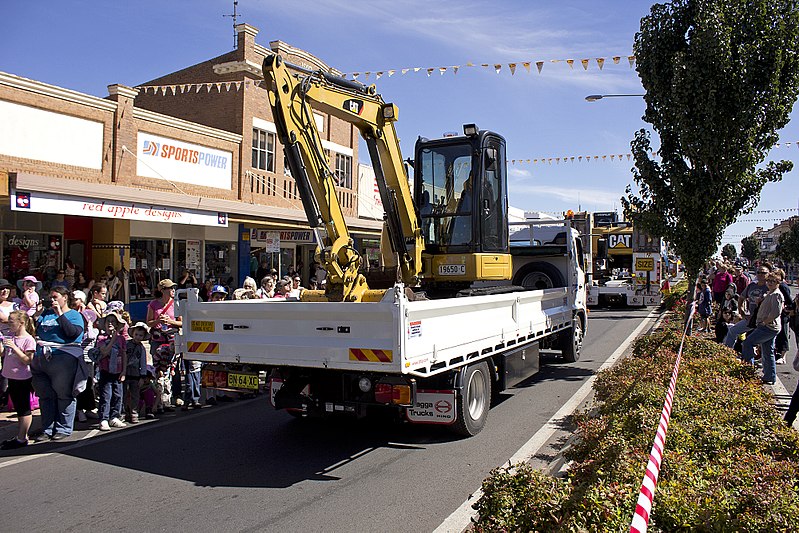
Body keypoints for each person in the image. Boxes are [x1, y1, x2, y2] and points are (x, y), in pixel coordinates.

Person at [30, 286, 84, 441]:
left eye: (55, 297)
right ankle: (47, 428)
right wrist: (37, 313)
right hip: (41, 359)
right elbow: (31, 329)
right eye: (50, 298)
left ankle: (63, 427)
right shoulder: (45, 314)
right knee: (45, 395)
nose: (52, 300)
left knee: (63, 394)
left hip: (62, 358)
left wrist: (60, 314)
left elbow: (72, 333)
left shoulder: (74, 315)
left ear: (65, 297)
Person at [1, 310, 37, 449]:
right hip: (11, 376)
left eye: (12, 321)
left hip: (22, 378)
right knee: (18, 407)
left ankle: (22, 438)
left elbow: (28, 360)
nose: (9, 324)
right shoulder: (11, 336)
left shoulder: (28, 340)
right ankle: (21, 435)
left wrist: (15, 347)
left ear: (21, 323)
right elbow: (3, 353)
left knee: (23, 409)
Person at [741, 272, 784, 385]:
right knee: (767, 351)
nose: (769, 283)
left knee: (748, 343)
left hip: (768, 327)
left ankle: (748, 370)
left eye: (773, 281)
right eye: (768, 281)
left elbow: (775, 312)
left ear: (778, 283)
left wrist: (764, 322)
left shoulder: (776, 295)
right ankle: (769, 376)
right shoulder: (770, 293)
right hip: (768, 326)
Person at [95, 310, 128, 431]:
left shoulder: (121, 339)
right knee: (106, 395)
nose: (110, 323)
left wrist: (124, 371)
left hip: (118, 370)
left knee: (118, 394)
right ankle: (104, 418)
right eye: (108, 321)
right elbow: (103, 352)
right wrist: (112, 339)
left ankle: (115, 416)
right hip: (106, 370)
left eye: (113, 321)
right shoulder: (101, 338)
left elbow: (124, 354)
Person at [724, 266, 770, 348]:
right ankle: (727, 353)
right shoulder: (752, 285)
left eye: (763, 273)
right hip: (751, 318)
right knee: (733, 331)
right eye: (758, 272)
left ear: (768, 274)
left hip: (764, 321)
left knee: (762, 345)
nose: (760, 274)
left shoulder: (769, 287)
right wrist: (742, 312)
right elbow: (741, 298)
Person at [124, 322, 149, 423]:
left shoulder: (141, 348)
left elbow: (143, 362)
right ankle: (125, 411)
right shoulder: (126, 344)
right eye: (136, 334)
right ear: (133, 334)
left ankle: (134, 412)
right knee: (124, 393)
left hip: (135, 373)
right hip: (125, 372)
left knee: (135, 394)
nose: (138, 337)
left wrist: (142, 376)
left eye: (141, 335)